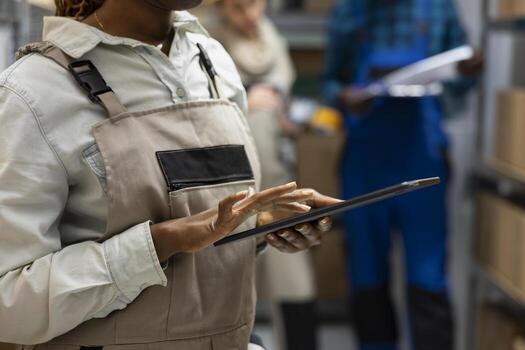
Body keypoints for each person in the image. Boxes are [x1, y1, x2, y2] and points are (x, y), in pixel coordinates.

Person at [0, 0, 341, 349]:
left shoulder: (211, 61)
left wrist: (260, 224)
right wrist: (162, 242)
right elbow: (7, 306)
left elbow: (209, 231)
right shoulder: (33, 92)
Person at [323, 0, 482, 349]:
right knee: (367, 277)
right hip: (364, 162)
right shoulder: (349, 11)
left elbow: (458, 80)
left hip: (421, 158)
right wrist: (344, 97)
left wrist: (467, 72)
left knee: (428, 275)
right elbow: (329, 84)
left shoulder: (439, 9)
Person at [206, 1, 318, 349]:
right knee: (232, 283)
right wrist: (242, 102)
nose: (250, 14)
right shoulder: (205, 40)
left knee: (294, 280)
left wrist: (287, 116)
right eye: (238, 7)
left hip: (277, 175)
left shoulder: (270, 35)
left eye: (255, 3)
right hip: (229, 187)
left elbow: (283, 92)